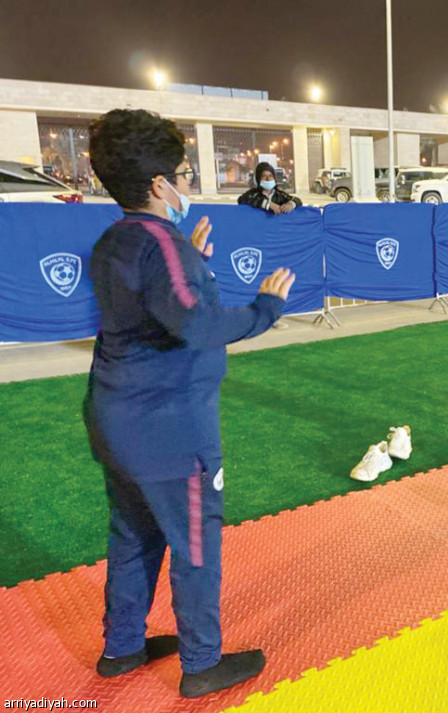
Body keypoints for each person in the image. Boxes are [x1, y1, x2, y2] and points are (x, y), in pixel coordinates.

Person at [84, 109, 296, 698]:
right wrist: (264, 310)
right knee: (195, 544)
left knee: (133, 536)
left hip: (115, 418)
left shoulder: (114, 240)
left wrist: (191, 260)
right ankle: (202, 664)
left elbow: (147, 306)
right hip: (168, 430)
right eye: (180, 172)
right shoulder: (162, 246)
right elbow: (197, 324)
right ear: (158, 185)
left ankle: (121, 647)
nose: (186, 183)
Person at [237, 162, 301, 214]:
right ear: (258, 179)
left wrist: (290, 204)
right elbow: (242, 199)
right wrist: (268, 204)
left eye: (270, 176)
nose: (268, 179)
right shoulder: (253, 194)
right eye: (264, 176)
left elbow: (297, 200)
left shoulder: (279, 195)